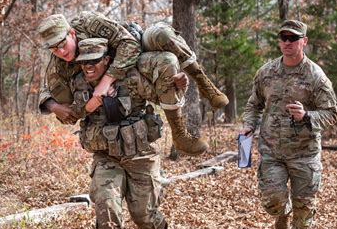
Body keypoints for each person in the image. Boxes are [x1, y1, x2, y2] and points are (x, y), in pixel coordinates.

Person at [45, 37, 171, 229]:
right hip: (106, 156)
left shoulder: (131, 78)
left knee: (143, 214)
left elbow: (162, 95)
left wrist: (178, 84)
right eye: (83, 63)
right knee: (105, 204)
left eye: (94, 62)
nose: (87, 67)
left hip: (140, 156)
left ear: (107, 60)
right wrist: (85, 105)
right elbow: (66, 109)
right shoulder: (79, 83)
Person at [38, 13, 212, 155]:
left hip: (129, 60)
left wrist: (180, 85)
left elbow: (131, 46)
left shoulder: (90, 24)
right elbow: (59, 97)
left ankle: (181, 133)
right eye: (54, 49)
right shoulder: (64, 69)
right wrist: (53, 105)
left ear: (72, 33)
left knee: (166, 54)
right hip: (104, 147)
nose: (60, 52)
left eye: (62, 44)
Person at [238, 20, 337, 229]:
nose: (287, 42)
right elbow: (254, 104)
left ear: (304, 41)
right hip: (272, 150)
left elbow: (332, 114)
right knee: (272, 200)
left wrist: (307, 116)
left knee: (304, 207)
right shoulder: (266, 73)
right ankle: (282, 213)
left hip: (305, 153)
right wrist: (249, 124)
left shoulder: (316, 76)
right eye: (283, 38)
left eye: (293, 38)